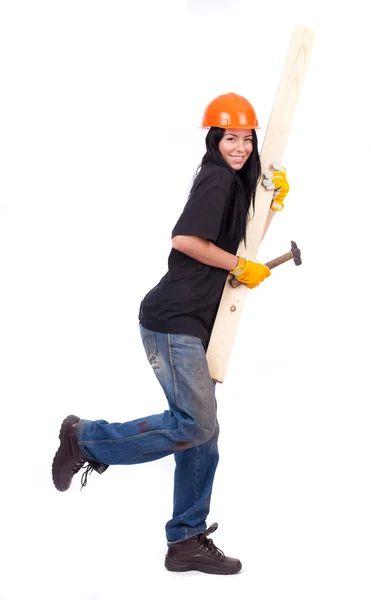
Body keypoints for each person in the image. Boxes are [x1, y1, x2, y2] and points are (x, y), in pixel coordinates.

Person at [52, 92, 290, 575]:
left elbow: (242, 242)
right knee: (196, 424)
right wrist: (240, 266)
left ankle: (186, 540)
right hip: (173, 321)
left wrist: (273, 204)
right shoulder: (217, 180)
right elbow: (185, 240)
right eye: (231, 138)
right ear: (214, 139)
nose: (240, 147)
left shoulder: (236, 184)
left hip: (196, 325)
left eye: (247, 139)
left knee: (203, 433)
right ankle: (87, 439)